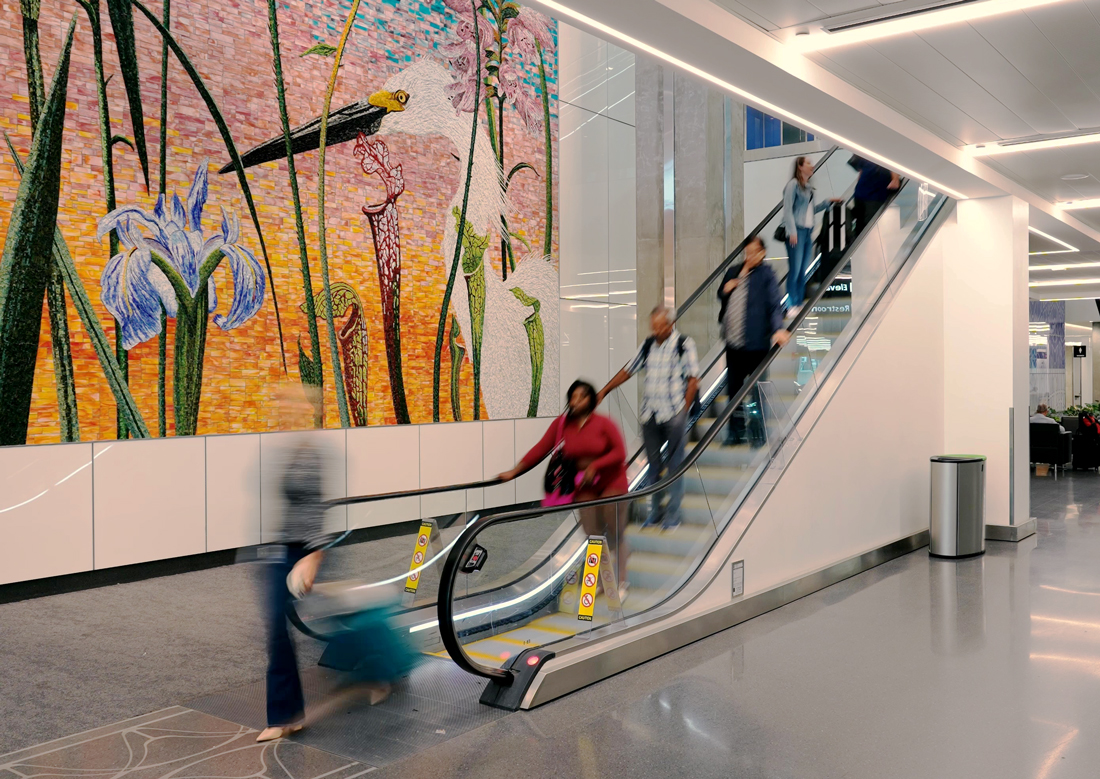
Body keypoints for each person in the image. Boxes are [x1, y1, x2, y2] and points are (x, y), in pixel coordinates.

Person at [498, 380, 631, 601]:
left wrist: (595, 465)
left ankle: (622, 580)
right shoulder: (562, 424)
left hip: (611, 481)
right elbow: (540, 449)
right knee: (592, 532)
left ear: (591, 400)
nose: (575, 401)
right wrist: (514, 472)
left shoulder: (604, 423)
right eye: (573, 396)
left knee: (615, 528)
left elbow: (620, 452)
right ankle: (600, 580)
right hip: (584, 484)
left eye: (581, 396)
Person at [257, 383, 334, 743]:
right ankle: (284, 715)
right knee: (276, 628)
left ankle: (379, 668)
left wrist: (314, 556)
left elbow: (318, 507)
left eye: (288, 401)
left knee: (333, 623)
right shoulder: (284, 445)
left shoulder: (311, 450)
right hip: (279, 549)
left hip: (304, 552)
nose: (281, 407)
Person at [598, 306, 699, 532]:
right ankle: (655, 513)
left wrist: (683, 411)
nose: (656, 331)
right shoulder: (647, 345)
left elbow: (693, 379)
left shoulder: (684, 344)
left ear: (670, 324)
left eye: (660, 326)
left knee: (674, 466)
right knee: (653, 467)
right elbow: (629, 369)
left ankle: (672, 516)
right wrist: (604, 390)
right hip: (650, 414)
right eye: (653, 327)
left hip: (673, 414)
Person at [717, 235, 791, 447]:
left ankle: (757, 434)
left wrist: (777, 329)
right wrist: (726, 289)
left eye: (753, 253)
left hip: (756, 345)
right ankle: (735, 433)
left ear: (762, 253)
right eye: (747, 253)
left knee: (757, 391)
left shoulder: (766, 275)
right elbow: (720, 295)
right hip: (733, 344)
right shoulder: (733, 271)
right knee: (734, 391)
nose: (749, 257)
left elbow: (774, 305)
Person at [782, 156, 839, 314]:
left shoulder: (807, 188)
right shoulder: (793, 185)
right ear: (800, 166)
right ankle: (791, 304)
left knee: (802, 270)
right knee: (795, 269)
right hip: (796, 232)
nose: (811, 166)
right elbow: (787, 210)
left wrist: (827, 202)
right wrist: (792, 231)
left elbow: (810, 212)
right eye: (808, 163)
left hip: (807, 232)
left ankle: (799, 303)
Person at [847, 155, 900, 238]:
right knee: (864, 225)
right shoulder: (867, 154)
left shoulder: (881, 152)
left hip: (872, 195)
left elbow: (893, 162)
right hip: (864, 194)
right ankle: (860, 246)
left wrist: (895, 179)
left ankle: (863, 245)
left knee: (868, 226)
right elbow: (861, 171)